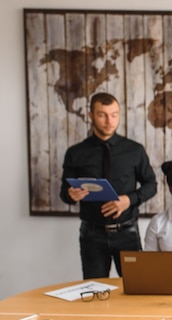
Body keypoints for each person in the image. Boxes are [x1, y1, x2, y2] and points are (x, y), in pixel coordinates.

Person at [60, 92, 157, 279]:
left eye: (114, 114)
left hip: (127, 232)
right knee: (94, 292)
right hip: (91, 235)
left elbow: (151, 184)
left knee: (136, 287)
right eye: (102, 115)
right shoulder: (76, 153)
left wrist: (129, 200)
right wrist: (71, 194)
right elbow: (64, 194)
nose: (109, 121)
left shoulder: (134, 150)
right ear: (91, 116)